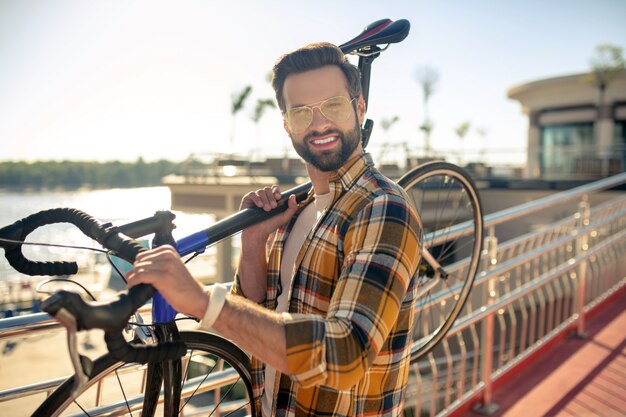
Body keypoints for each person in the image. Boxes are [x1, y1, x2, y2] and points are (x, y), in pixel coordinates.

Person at [126, 42, 422, 417]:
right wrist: (253, 243)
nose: (319, 124)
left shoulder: (383, 207)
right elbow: (256, 314)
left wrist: (200, 300)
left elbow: (347, 356)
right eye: (301, 113)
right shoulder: (295, 212)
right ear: (287, 125)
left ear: (359, 108)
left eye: (333, 105)